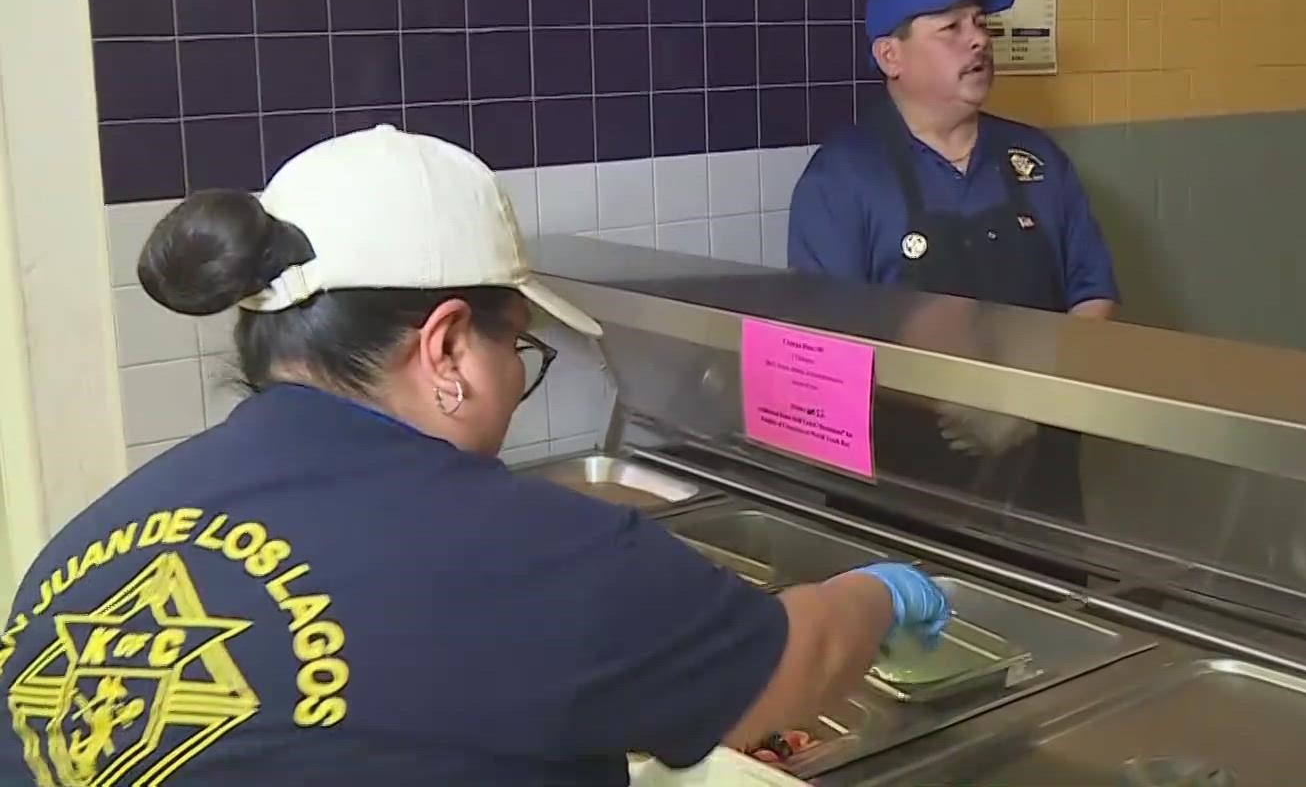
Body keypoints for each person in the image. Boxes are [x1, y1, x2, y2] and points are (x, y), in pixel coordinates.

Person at [0, 125, 947, 786]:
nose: (516, 378)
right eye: (518, 348)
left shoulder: (98, 536)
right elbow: (792, 666)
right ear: (447, 347)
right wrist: (877, 593)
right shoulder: (537, 557)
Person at [787, 0, 1119, 518]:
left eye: (980, 23)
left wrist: (1024, 405)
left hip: (1040, 487)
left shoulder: (1036, 161)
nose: (979, 40)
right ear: (890, 56)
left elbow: (1094, 297)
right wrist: (963, 407)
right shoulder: (843, 178)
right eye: (951, 29)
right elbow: (828, 347)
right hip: (903, 493)